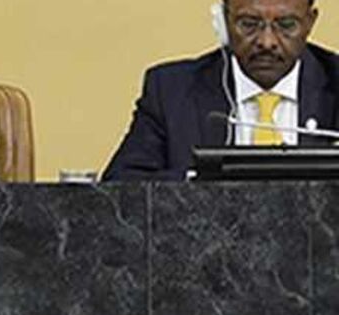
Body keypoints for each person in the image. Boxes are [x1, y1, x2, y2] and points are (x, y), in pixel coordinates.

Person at [104, 0, 339, 180]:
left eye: (286, 25)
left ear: (310, 22)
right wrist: (201, 184)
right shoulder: (171, 90)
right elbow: (121, 187)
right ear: (224, 21)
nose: (267, 42)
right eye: (248, 24)